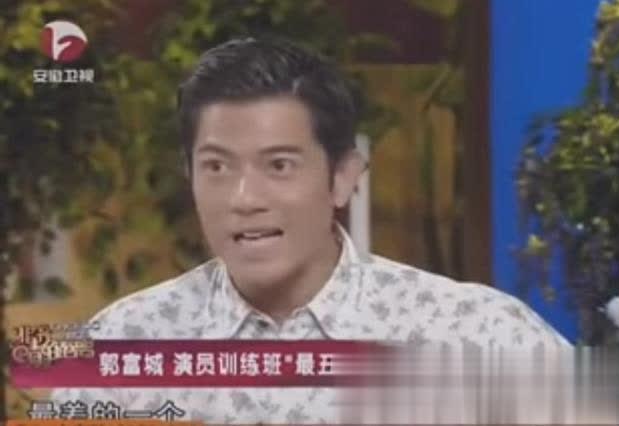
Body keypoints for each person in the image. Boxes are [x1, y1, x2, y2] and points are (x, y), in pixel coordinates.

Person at [51, 37, 570, 424]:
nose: (244, 199)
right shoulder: (116, 347)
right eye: (217, 167)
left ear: (343, 176)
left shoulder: (480, 337)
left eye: (279, 165)